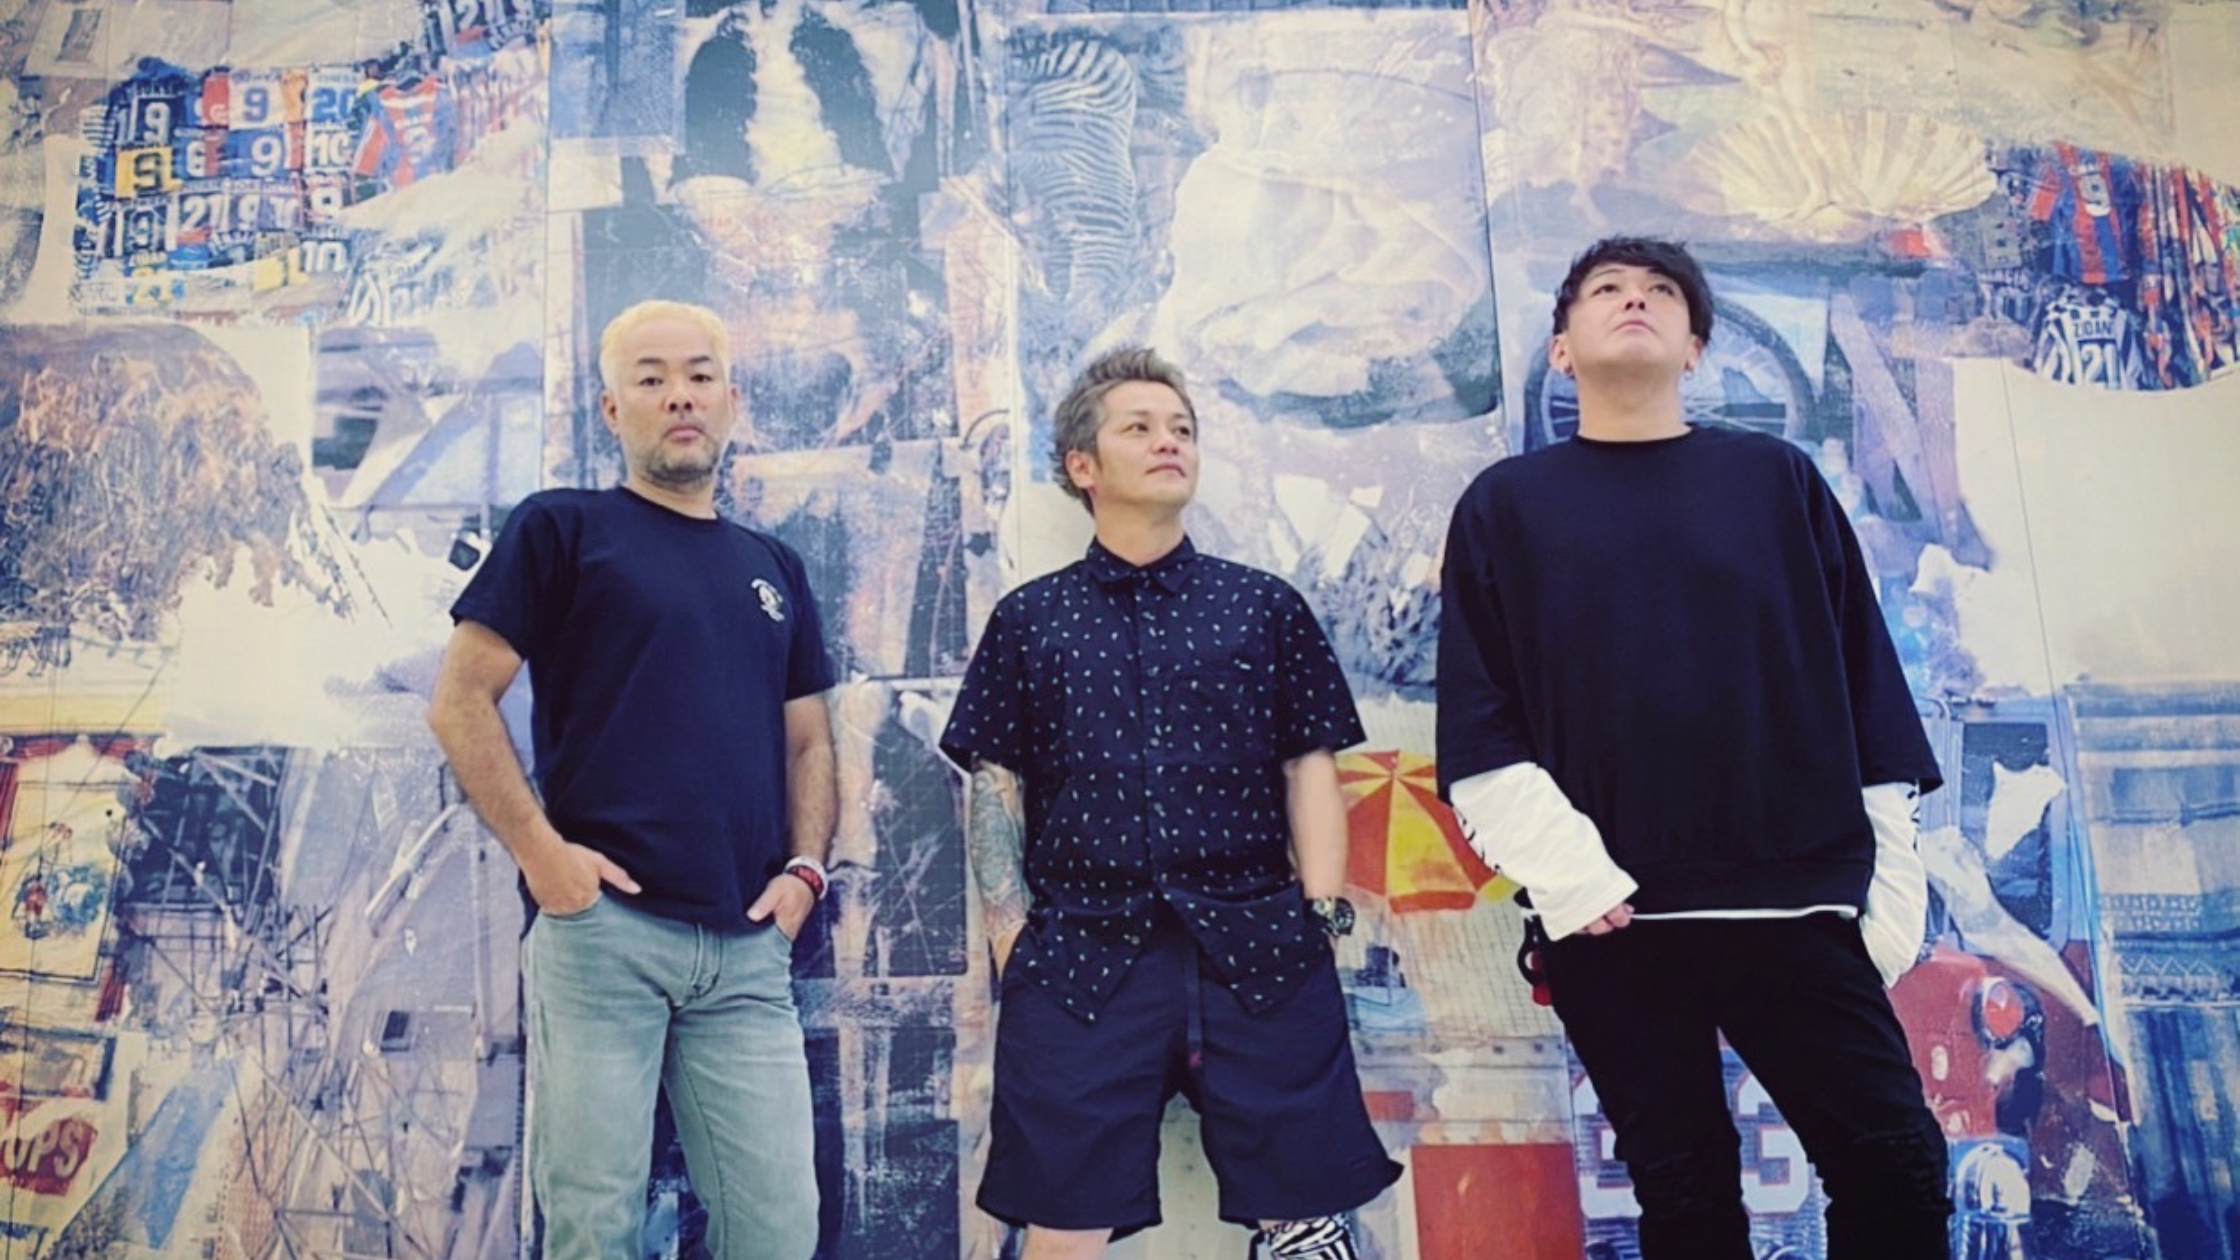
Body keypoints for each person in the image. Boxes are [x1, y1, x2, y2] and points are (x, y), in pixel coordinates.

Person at [1435, 238, 1952, 1259]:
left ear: (1695, 348)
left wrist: (1889, 877)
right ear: (1560, 348)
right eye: (1607, 291)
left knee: (1894, 1164)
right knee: (1683, 1201)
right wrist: (1569, 873)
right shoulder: (1505, 506)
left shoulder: (1774, 480)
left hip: (1792, 902)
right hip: (1611, 921)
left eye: (1661, 292)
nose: (1635, 301)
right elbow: (1481, 720)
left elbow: (1866, 681)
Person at [942, 348, 1400, 1260]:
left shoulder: (1262, 606)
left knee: (1309, 1228)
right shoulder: (1030, 619)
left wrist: (1318, 918)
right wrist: (1012, 941)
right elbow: (996, 782)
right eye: (1141, 428)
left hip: (1260, 950)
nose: (1169, 443)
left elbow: (1309, 763)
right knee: (1062, 1232)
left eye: (1182, 429)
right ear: (1082, 465)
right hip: (1079, 960)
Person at [427, 300, 835, 1260]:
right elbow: (460, 702)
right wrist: (545, 859)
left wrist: (805, 873)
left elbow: (810, 742)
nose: (679, 396)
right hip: (604, 937)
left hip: (746, 952)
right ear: (613, 410)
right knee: (593, 1227)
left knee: (780, 1231)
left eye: (699, 376)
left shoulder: (773, 566)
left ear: (731, 400)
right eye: (650, 379)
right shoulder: (562, 529)